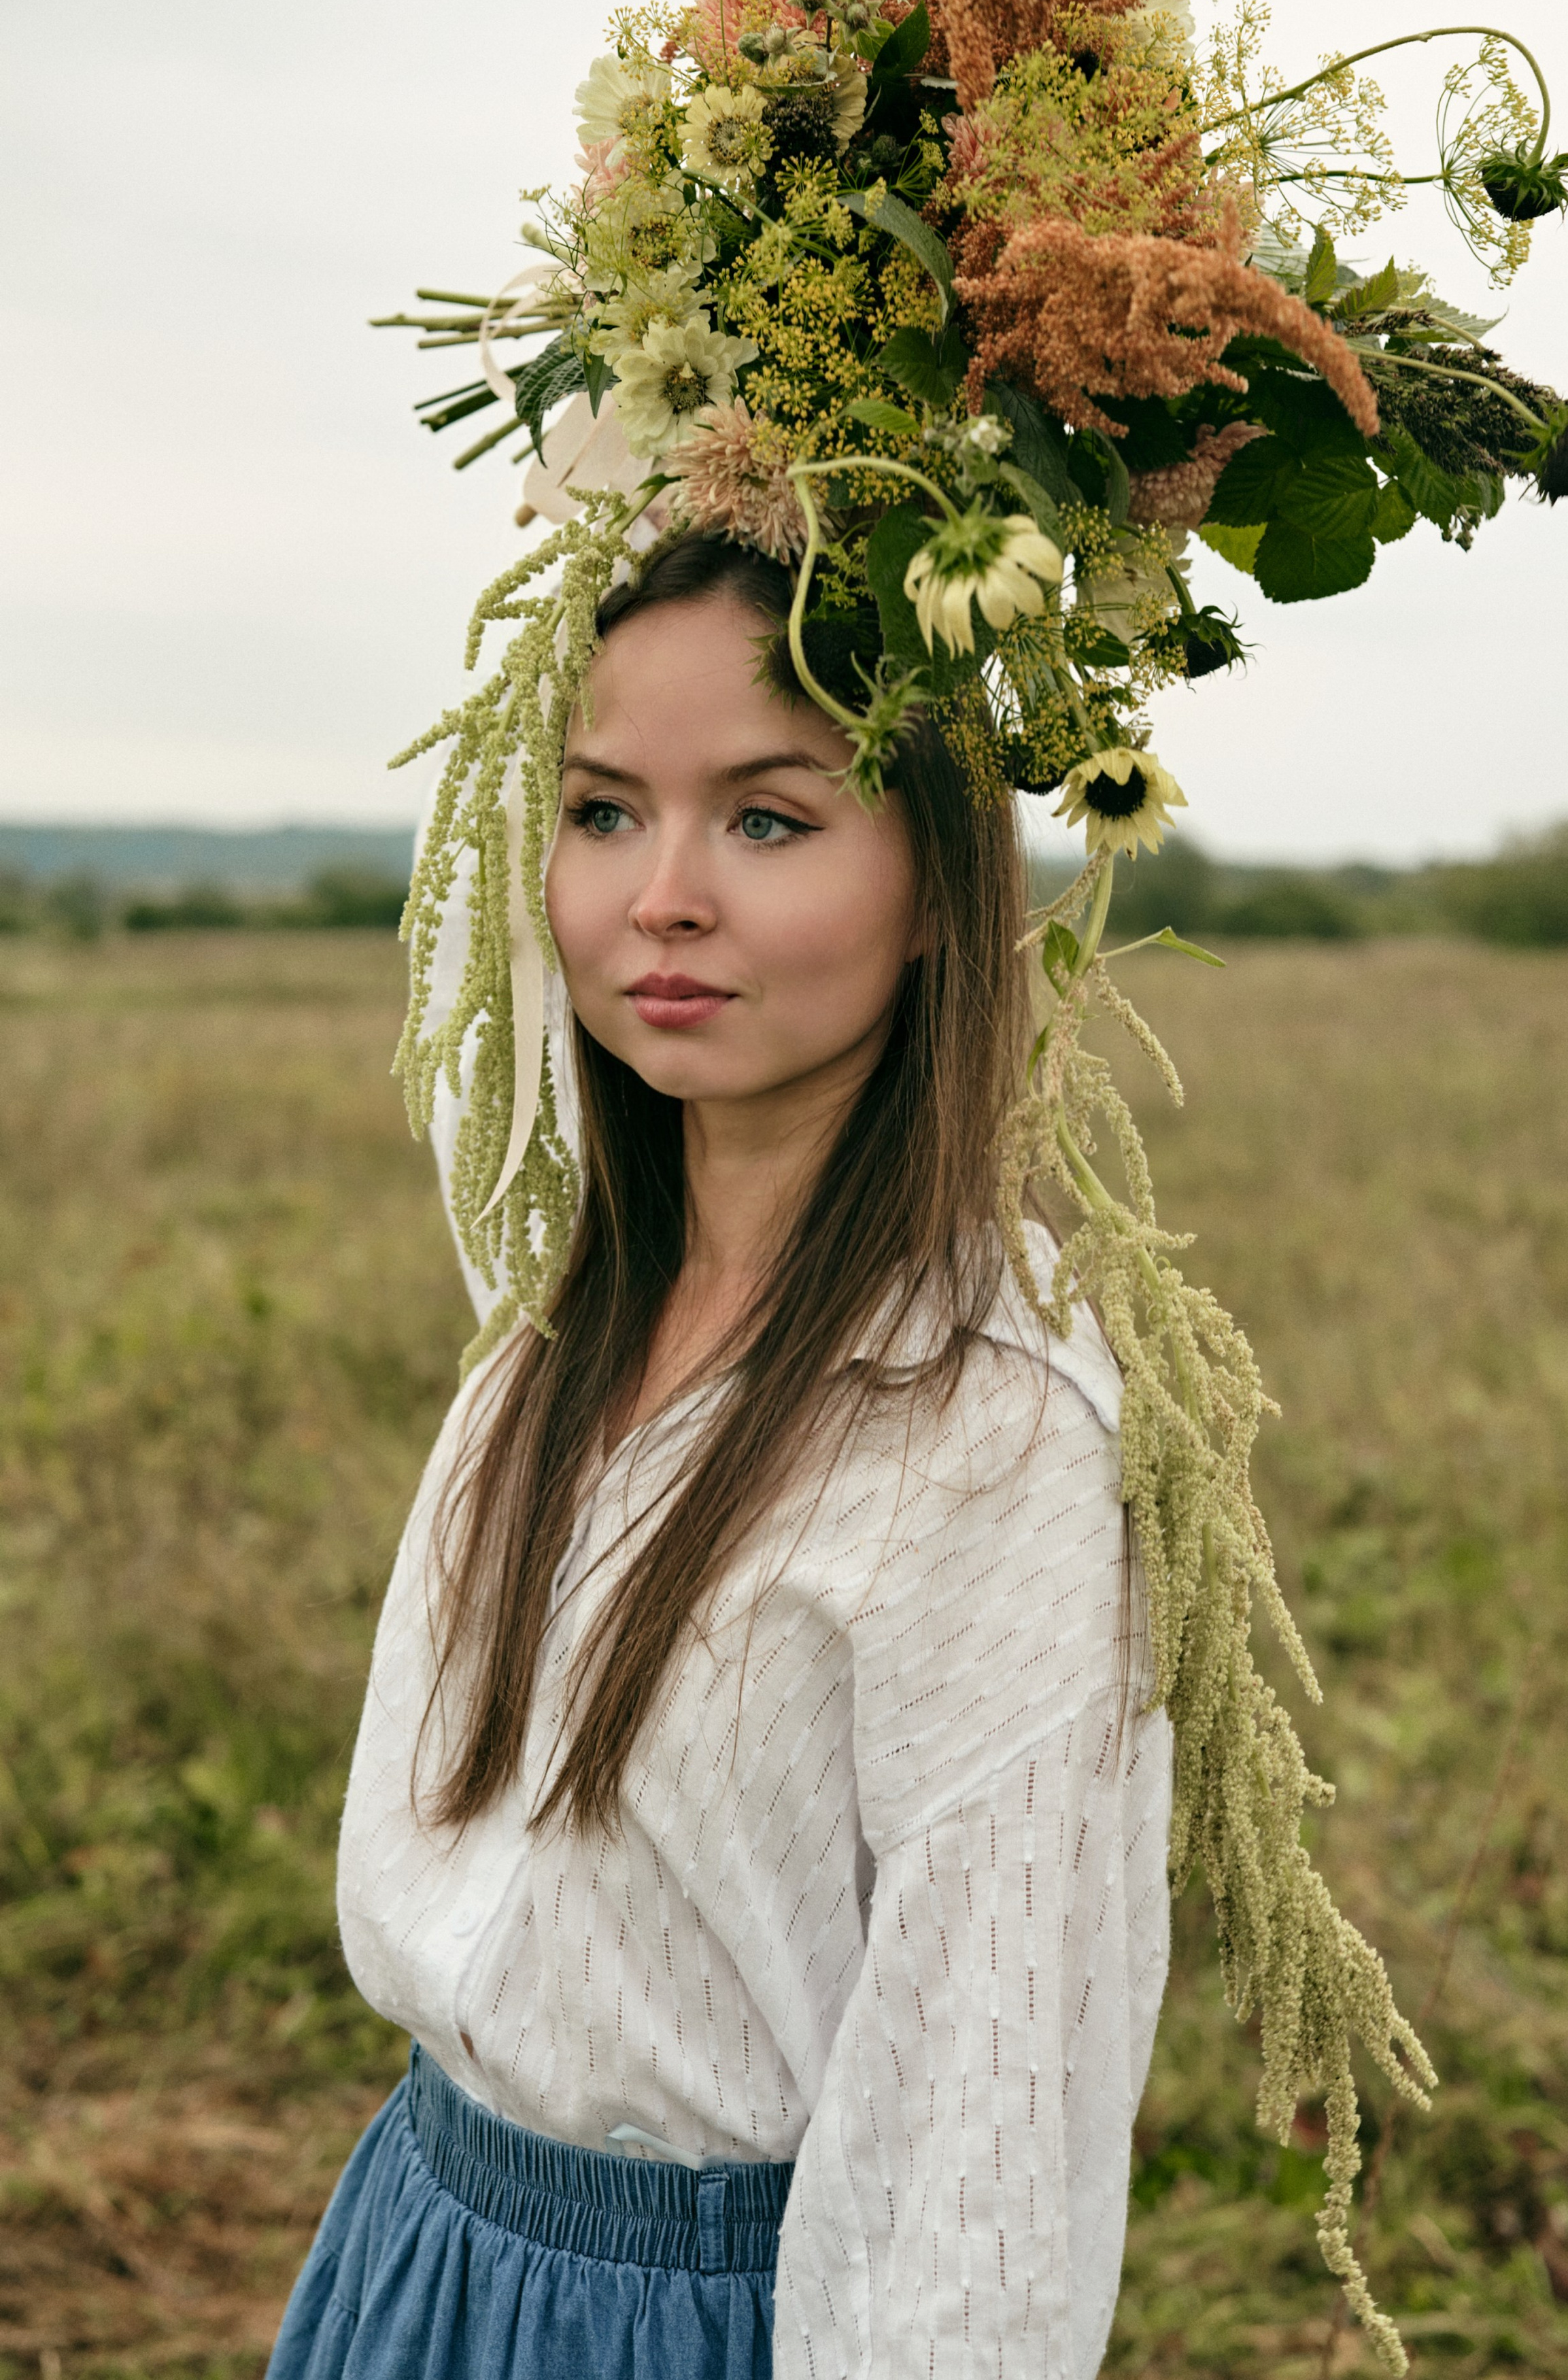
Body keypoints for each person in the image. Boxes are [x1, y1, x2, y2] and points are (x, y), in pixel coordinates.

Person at [265, 532, 1174, 2380]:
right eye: (603, 813)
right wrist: (654, 377)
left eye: (769, 820)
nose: (660, 897)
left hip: (706, 2324)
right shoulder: (558, 1296)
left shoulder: (988, 1437)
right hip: (418, 2248)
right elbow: (473, 981)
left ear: (939, 881)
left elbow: (977, 2183)